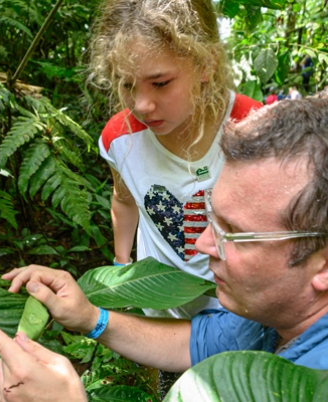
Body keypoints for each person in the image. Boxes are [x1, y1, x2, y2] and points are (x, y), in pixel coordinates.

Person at [0, 91, 328, 402]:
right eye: (211, 217)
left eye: (232, 231)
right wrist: (91, 318)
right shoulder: (304, 304)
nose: (201, 243)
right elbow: (204, 342)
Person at [91, 0, 262, 323]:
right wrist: (121, 265)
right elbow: (123, 200)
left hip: (241, 317)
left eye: (160, 83)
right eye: (127, 84)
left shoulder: (258, 129)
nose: (142, 104)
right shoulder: (120, 140)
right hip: (161, 315)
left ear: (206, 64)